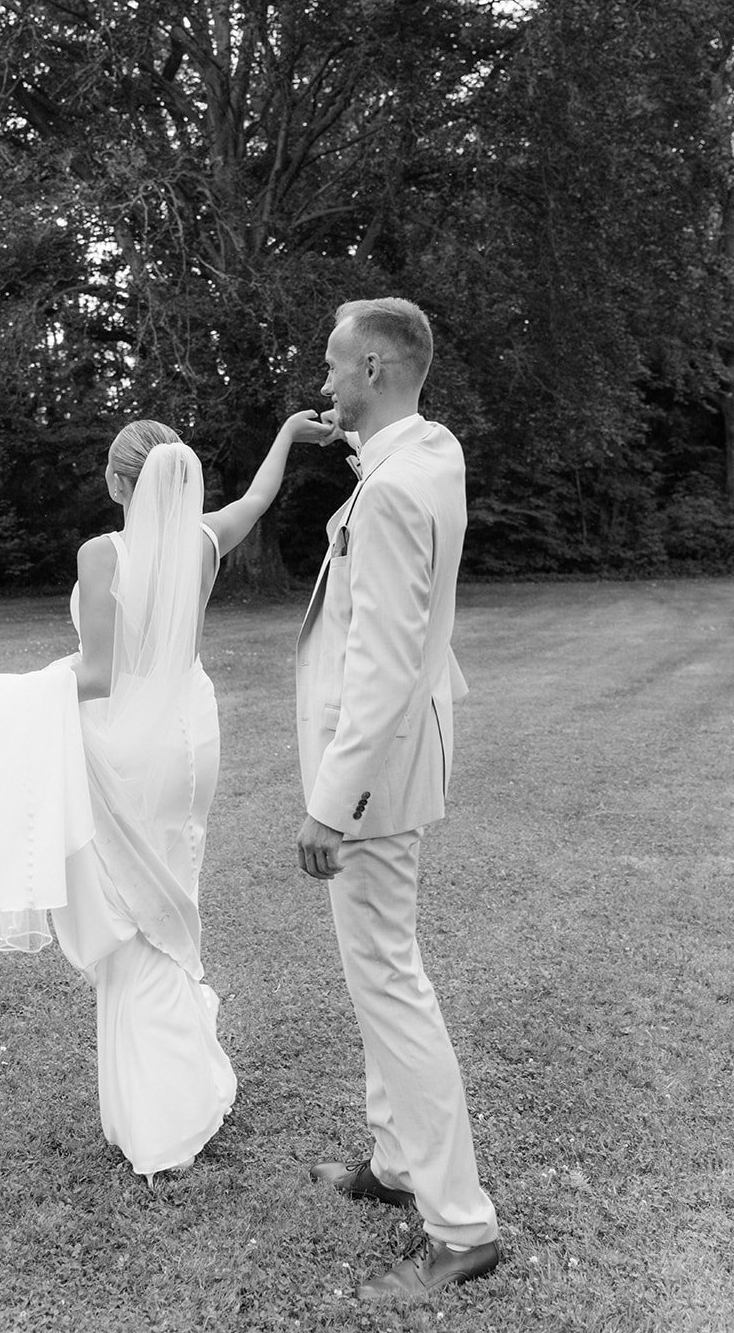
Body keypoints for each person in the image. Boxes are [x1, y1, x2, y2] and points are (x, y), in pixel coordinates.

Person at [0, 408, 331, 1180]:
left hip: (127, 743)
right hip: (190, 740)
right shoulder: (200, 544)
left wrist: (0, 693)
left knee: (131, 915)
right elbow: (257, 501)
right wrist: (286, 438)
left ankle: (165, 1114)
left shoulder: (103, 552)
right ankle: (178, 1077)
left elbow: (95, 677)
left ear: (116, 480)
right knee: (172, 892)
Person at [294, 297, 501, 1301]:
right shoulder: (428, 452)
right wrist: (351, 445)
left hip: (373, 777)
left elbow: (377, 665)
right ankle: (390, 1163)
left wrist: (331, 802)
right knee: (381, 967)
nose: (322, 380)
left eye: (334, 365)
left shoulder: (388, 491)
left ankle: (458, 1225)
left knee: (387, 980)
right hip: (409, 756)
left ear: (372, 366)